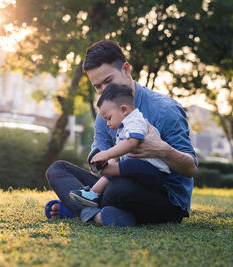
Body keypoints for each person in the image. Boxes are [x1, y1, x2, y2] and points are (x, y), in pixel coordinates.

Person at [45, 40, 197, 226]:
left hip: (164, 197)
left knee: (118, 189)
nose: (103, 91)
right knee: (58, 169)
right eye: (97, 86)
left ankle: (77, 208)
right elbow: (98, 162)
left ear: (126, 70)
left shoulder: (165, 110)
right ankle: (98, 215)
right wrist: (100, 162)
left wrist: (162, 150)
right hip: (114, 181)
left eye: (108, 81)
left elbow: (191, 169)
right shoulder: (106, 113)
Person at [69, 83, 170, 207]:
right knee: (118, 167)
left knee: (127, 165)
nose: (107, 123)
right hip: (138, 174)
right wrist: (110, 160)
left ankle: (99, 180)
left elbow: (132, 142)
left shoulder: (136, 121)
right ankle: (94, 193)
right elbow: (120, 153)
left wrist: (106, 154)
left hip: (155, 173)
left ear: (124, 110)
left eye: (109, 118)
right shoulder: (122, 129)